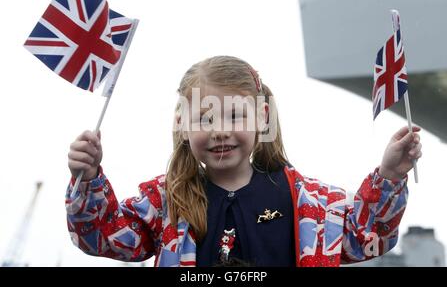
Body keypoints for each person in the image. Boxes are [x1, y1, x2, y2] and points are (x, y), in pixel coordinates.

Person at [66, 55, 422, 267]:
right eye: (205, 119)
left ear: (262, 118)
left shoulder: (312, 204)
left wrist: (390, 175)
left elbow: (368, 236)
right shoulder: (164, 201)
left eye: (235, 116)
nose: (220, 131)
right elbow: (100, 235)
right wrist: (89, 178)